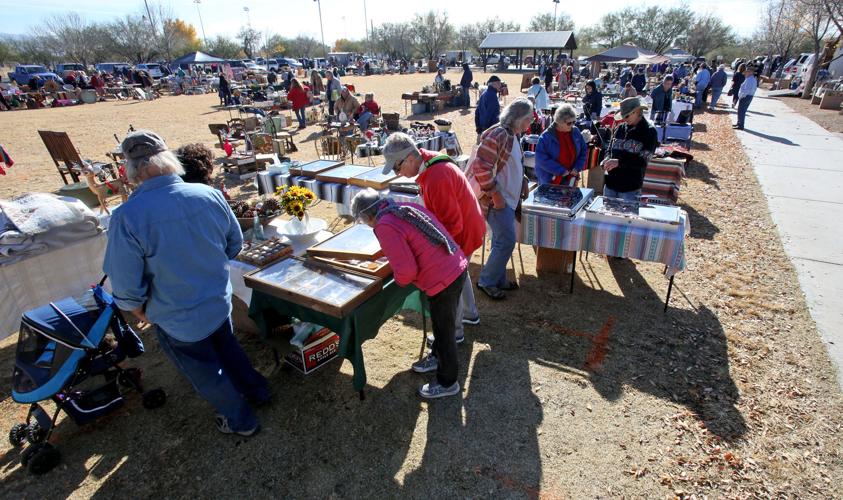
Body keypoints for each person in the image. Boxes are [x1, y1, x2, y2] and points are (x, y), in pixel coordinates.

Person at [103, 130, 269, 436]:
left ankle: (240, 420)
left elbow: (125, 287)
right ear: (168, 160)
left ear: (131, 168)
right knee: (228, 348)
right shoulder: (208, 195)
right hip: (217, 300)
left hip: (175, 316)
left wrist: (139, 311)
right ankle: (259, 391)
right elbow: (234, 245)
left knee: (207, 372)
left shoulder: (127, 217)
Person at [351, 190, 468, 399]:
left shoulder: (384, 225)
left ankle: (447, 382)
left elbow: (406, 272)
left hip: (443, 280)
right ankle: (437, 357)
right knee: (443, 326)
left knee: (444, 330)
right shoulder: (403, 207)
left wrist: (397, 280)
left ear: (367, 216)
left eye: (362, 221)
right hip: (455, 265)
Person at [380, 132, 485, 338]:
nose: (397, 173)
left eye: (396, 167)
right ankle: (470, 314)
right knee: (460, 274)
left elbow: (451, 225)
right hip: (469, 226)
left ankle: (454, 333)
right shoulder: (428, 161)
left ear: (410, 158)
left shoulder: (436, 177)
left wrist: (433, 253)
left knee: (449, 280)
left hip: (463, 232)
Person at [469, 98, 533, 300]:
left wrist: (521, 179)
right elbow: (481, 166)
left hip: (505, 199)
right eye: (528, 119)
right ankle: (487, 281)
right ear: (518, 118)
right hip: (498, 201)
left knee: (500, 240)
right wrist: (495, 194)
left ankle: (497, 278)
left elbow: (509, 163)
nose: (530, 123)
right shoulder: (500, 134)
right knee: (506, 241)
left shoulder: (511, 134)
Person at [601, 97, 658, 201]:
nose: (624, 119)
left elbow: (643, 161)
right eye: (622, 116)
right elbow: (610, 149)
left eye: (626, 116)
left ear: (636, 112)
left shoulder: (649, 132)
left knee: (627, 217)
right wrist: (607, 158)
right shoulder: (620, 128)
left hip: (629, 188)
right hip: (610, 184)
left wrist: (619, 162)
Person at [535, 104, 588, 185]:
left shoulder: (575, 131)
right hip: (551, 180)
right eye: (569, 123)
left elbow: (583, 151)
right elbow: (540, 159)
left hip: (571, 178)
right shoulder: (546, 137)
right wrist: (561, 171)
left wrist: (577, 167)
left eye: (574, 122)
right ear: (559, 121)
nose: (572, 125)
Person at [474, 75, 502, 141]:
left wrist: (478, 127)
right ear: (493, 84)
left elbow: (477, 112)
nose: (500, 85)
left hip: (482, 128)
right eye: (498, 83)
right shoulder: (492, 96)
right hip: (489, 130)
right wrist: (486, 130)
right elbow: (490, 114)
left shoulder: (484, 93)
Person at [734, 65, 757, 131]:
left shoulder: (750, 80)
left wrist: (741, 96)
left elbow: (746, 90)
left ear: (750, 73)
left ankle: (740, 125)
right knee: (741, 111)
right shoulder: (751, 79)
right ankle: (739, 123)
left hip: (745, 97)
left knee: (741, 111)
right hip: (748, 96)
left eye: (746, 72)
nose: (745, 74)